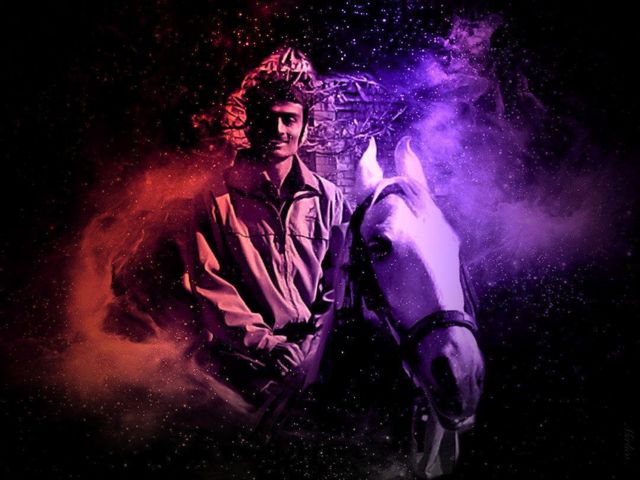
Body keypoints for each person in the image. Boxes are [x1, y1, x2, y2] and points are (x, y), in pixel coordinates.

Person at [182, 48, 351, 431]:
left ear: (305, 128)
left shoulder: (329, 199)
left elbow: (338, 283)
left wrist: (312, 346)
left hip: (313, 366)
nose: (278, 130)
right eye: (267, 118)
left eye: (289, 119)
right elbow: (209, 285)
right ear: (250, 124)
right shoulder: (214, 199)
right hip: (238, 372)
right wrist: (268, 345)